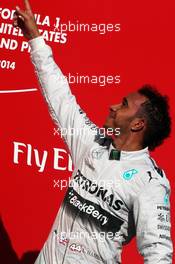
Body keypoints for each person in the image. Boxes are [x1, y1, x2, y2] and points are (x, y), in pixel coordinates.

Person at [13, 1, 173, 263]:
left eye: (123, 105)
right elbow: (60, 96)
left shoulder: (150, 182)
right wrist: (35, 39)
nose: (112, 106)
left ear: (137, 124)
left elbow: (158, 254)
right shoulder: (92, 144)